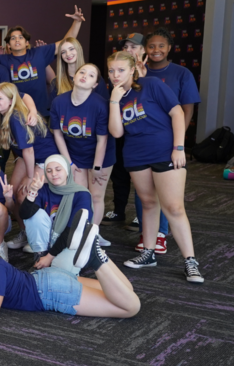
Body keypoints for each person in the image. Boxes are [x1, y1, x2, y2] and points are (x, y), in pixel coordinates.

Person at [107, 51, 202, 282]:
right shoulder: (117, 96)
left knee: (174, 208)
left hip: (164, 151)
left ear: (132, 70)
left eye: (121, 70)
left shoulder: (150, 84)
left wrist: (178, 147)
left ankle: (190, 261)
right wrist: (113, 101)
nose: (115, 75)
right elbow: (117, 132)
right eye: (111, 70)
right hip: (135, 155)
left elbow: (177, 112)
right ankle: (148, 253)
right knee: (149, 203)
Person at [0, 222, 141, 319]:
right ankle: (100, 255)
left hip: (51, 292)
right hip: (48, 279)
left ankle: (95, 261)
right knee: (126, 289)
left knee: (130, 307)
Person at [0, 82, 59, 251]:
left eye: (0, 98)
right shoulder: (4, 114)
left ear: (11, 100)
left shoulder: (16, 117)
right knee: (12, 193)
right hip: (27, 156)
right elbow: (25, 94)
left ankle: (40, 238)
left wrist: (29, 177)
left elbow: (28, 151)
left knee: (24, 195)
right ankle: (25, 232)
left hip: (44, 158)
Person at [50, 62, 114, 244]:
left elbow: (102, 140)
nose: (85, 75)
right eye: (82, 72)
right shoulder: (59, 102)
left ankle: (92, 235)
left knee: (96, 195)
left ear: (95, 85)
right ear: (74, 77)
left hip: (100, 155)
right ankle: (79, 232)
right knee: (79, 194)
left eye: (91, 75)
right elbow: (58, 134)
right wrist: (69, 163)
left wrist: (97, 167)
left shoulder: (101, 105)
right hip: (74, 154)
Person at [0, 7, 85, 116]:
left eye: (20, 37)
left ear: (26, 42)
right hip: (16, 113)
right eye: (13, 38)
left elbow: (65, 43)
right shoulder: (2, 59)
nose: (17, 40)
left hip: (42, 112)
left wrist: (77, 22)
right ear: (8, 45)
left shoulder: (39, 53)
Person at [103, 33, 145, 228]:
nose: (129, 50)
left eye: (133, 47)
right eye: (126, 47)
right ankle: (119, 210)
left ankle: (141, 213)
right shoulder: (114, 82)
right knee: (119, 175)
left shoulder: (148, 82)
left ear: (143, 50)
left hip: (141, 140)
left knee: (142, 179)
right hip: (119, 137)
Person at [19, 156, 94, 263]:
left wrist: (50, 257)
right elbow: (25, 215)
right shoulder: (43, 189)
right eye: (49, 171)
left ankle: (47, 259)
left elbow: (73, 230)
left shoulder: (82, 194)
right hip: (48, 243)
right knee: (35, 215)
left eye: (58, 169)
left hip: (70, 243)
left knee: (62, 272)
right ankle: (40, 256)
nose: (54, 174)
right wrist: (32, 191)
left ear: (67, 171)